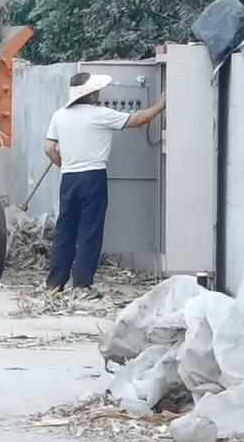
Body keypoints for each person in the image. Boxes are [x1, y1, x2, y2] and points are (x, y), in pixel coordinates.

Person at [43, 72, 166, 292]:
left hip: (68, 178)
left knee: (65, 229)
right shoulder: (101, 115)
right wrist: (161, 105)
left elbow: (48, 149)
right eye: (96, 90)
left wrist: (65, 164)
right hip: (93, 176)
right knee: (90, 230)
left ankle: (55, 283)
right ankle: (81, 284)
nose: (99, 93)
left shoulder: (59, 116)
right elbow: (137, 119)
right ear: (89, 94)